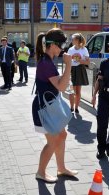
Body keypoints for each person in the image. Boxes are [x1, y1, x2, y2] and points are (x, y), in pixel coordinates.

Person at [32, 28, 78, 183]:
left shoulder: (48, 60)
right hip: (44, 109)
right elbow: (62, 87)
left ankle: (61, 168)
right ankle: (40, 172)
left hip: (50, 106)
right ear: (52, 45)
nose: (63, 49)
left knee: (62, 135)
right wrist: (69, 65)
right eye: (61, 45)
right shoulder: (46, 63)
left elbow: (59, 85)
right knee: (52, 142)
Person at [68, 33, 90, 114]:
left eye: (73, 39)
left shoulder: (84, 49)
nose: (71, 41)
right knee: (71, 91)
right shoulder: (70, 49)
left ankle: (76, 108)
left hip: (80, 69)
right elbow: (67, 61)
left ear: (77, 40)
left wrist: (79, 60)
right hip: (71, 70)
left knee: (77, 91)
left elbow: (88, 62)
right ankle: (71, 107)